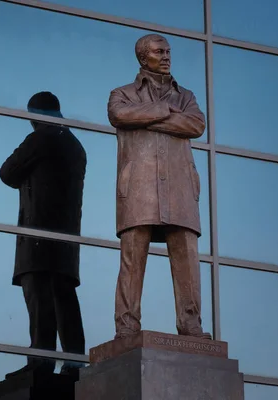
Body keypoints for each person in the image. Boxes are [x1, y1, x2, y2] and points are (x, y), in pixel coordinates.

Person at [107, 34, 212, 340]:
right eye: (159, 51)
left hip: (180, 189)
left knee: (187, 259)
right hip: (139, 188)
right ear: (144, 58)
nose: (167, 56)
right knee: (132, 258)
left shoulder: (187, 97)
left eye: (168, 51)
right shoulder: (122, 94)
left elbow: (196, 124)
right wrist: (168, 112)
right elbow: (120, 115)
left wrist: (147, 117)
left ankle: (191, 324)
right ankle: (126, 326)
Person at [0, 91, 87, 377]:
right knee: (63, 297)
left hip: (39, 232)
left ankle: (41, 360)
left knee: (39, 296)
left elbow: (7, 172)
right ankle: (74, 363)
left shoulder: (43, 137)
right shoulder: (75, 144)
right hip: (66, 238)